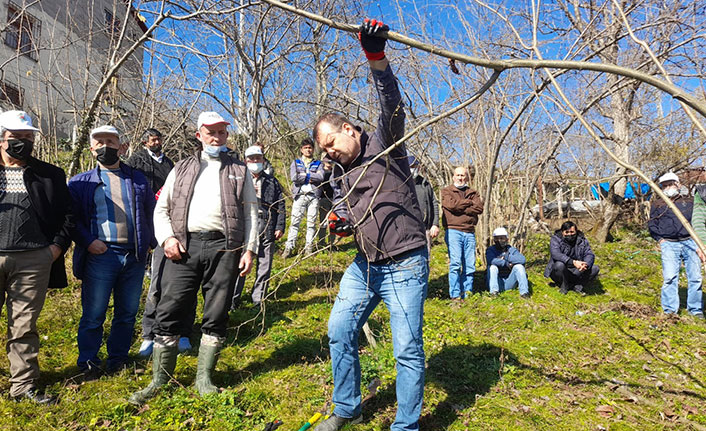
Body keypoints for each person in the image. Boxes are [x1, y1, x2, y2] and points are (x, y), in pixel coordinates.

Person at [312, 19, 429, 431]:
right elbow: (352, 210)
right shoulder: (340, 171)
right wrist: (341, 221)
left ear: (347, 129)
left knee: (407, 351)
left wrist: (375, 57)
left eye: (331, 145)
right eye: (324, 151)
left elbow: (391, 104)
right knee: (339, 330)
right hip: (365, 265)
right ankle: (348, 408)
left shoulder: (385, 143)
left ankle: (405, 426)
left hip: (405, 263)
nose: (330, 154)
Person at [129, 111, 258, 405]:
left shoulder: (240, 170)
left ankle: (204, 379)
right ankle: (159, 380)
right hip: (184, 247)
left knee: (216, 313)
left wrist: (249, 249)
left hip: (225, 248)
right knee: (169, 309)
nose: (217, 137)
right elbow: (161, 209)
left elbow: (251, 212)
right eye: (211, 132)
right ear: (199, 135)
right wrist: (167, 238)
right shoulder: (182, 168)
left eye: (222, 132)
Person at [69, 125, 156, 377]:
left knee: (127, 313)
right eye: (100, 142)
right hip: (101, 255)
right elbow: (71, 220)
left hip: (135, 255)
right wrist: (89, 242)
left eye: (111, 140)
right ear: (92, 149)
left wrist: (151, 242)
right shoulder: (80, 182)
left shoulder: (137, 178)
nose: (106, 145)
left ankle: (117, 359)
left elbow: (152, 211)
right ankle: (88, 361)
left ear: (122, 146)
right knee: (94, 314)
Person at [0, 110, 73, 403]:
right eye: (17, 138)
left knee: (24, 325)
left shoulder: (50, 174)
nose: (24, 143)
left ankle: (23, 385)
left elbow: (68, 216)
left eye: (28, 138)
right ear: (1, 139)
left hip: (33, 260)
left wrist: (55, 249)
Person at [231, 145, 286, 308]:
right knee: (241, 261)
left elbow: (280, 204)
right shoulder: (238, 178)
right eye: (251, 158)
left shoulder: (272, 181)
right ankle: (233, 299)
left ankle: (258, 299)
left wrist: (280, 225)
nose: (255, 161)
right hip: (245, 224)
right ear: (245, 160)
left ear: (263, 159)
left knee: (265, 263)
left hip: (267, 223)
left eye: (258, 158)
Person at [648, 172, 703, 318]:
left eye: (670, 184)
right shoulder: (657, 204)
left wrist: (699, 242)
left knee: (695, 277)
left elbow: (698, 221)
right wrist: (660, 239)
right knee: (670, 277)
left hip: (690, 241)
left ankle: (695, 309)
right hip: (669, 244)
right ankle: (670, 311)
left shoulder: (689, 202)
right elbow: (652, 224)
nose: (668, 188)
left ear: (678, 184)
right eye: (664, 186)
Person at [440, 166, 483, 300]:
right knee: (455, 264)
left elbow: (479, 208)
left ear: (467, 177)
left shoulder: (473, 192)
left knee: (469, 265)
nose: (460, 178)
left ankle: (468, 294)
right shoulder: (447, 191)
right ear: (453, 177)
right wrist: (468, 203)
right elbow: (452, 206)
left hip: (469, 232)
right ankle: (455, 295)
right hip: (453, 231)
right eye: (458, 175)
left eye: (463, 175)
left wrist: (461, 206)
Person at [282, 138, 324, 257]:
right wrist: (310, 177)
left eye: (310, 147)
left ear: (313, 149)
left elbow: (321, 177)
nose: (308, 150)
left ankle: (308, 248)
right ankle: (289, 247)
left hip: (313, 196)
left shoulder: (318, 163)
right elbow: (294, 177)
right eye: (305, 148)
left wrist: (304, 175)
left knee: (311, 223)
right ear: (301, 150)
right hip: (299, 195)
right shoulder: (295, 163)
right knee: (295, 222)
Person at [544, 220, 599, 294]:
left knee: (595, 268)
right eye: (567, 232)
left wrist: (585, 264)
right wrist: (573, 262)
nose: (570, 234)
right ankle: (564, 285)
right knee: (559, 265)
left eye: (572, 232)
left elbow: (589, 254)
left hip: (577, 270)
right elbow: (556, 254)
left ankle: (577, 286)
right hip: (561, 270)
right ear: (562, 232)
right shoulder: (556, 239)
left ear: (576, 231)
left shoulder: (582, 240)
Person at [125, 128, 174, 195]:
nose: (157, 142)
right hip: (144, 200)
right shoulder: (137, 159)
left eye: (158, 139)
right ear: (145, 142)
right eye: (153, 140)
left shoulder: (168, 162)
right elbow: (124, 174)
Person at [485, 227, 529, 298]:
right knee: (492, 267)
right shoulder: (490, 250)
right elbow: (491, 260)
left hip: (509, 281)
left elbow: (522, 259)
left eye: (502, 238)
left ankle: (524, 293)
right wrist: (506, 263)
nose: (499, 240)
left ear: (507, 239)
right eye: (497, 238)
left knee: (519, 266)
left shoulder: (511, 250)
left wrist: (506, 257)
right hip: (496, 282)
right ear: (494, 240)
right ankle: (494, 293)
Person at [409, 155, 440, 253]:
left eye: (416, 167)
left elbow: (434, 203)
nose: (414, 169)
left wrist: (435, 224)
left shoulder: (425, 184)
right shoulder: (401, 184)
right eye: (411, 167)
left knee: (426, 258)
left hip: (425, 229)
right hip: (409, 231)